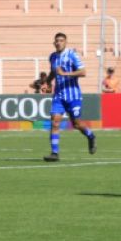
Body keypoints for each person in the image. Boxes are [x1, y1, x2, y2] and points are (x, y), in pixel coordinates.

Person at [42, 32, 96, 162]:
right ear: (54, 43)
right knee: (55, 122)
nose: (58, 42)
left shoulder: (72, 54)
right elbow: (53, 72)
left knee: (76, 124)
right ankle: (54, 153)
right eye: (57, 41)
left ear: (66, 42)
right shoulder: (53, 57)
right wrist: (48, 82)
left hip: (73, 96)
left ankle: (90, 135)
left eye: (61, 40)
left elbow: (83, 72)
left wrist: (65, 73)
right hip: (59, 95)